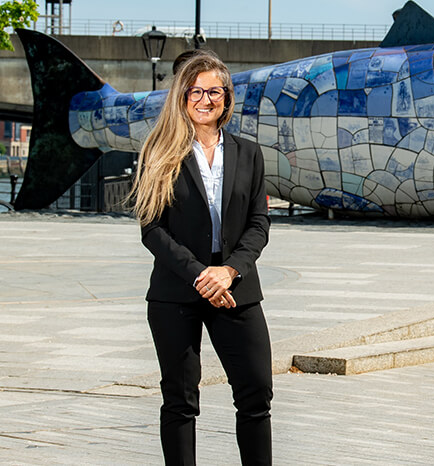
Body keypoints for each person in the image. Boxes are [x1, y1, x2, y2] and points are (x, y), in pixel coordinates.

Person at [130, 49, 273, 465]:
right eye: (195, 90)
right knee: (180, 401)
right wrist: (200, 276)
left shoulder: (249, 154)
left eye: (214, 91)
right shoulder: (159, 151)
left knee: (256, 394)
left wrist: (228, 271)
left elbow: (258, 224)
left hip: (236, 289)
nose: (205, 99)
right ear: (181, 96)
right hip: (177, 292)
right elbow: (152, 230)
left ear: (227, 98)